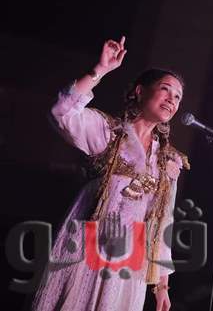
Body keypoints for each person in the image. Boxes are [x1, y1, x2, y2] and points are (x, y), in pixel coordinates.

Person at [32, 36, 189, 311]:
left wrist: (162, 286)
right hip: (86, 250)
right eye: (165, 90)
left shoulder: (167, 160)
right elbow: (61, 113)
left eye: (177, 97)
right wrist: (100, 70)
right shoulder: (108, 132)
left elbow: (163, 222)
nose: (171, 100)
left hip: (129, 265)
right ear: (140, 91)